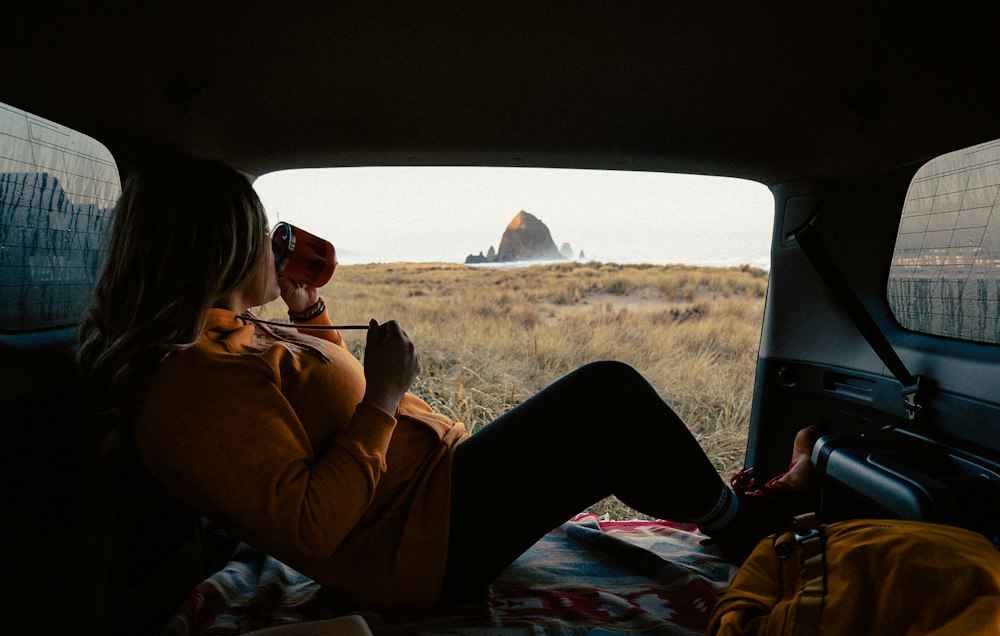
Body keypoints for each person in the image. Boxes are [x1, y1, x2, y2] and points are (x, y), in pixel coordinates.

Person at [77, 156, 815, 611]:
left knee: (603, 433)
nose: (281, 245)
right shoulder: (189, 384)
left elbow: (314, 413)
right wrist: (385, 396)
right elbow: (311, 523)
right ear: (221, 246)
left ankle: (727, 511)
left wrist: (311, 315)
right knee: (606, 396)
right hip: (416, 548)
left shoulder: (232, 335)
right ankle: (745, 523)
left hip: (428, 502)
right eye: (264, 233)